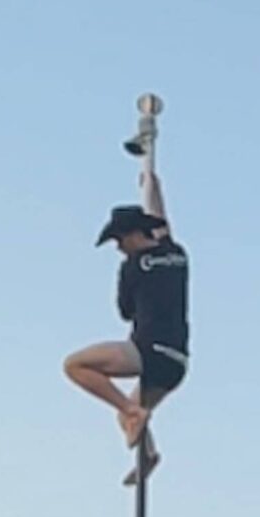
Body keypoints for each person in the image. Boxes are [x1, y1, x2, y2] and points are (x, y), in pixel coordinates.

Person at [64, 153, 189, 484]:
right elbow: (159, 215)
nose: (119, 248)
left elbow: (125, 311)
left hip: (148, 350)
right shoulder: (175, 252)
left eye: (119, 240)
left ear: (132, 235)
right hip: (176, 362)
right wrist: (151, 180)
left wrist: (128, 280)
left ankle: (134, 412)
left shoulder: (133, 266)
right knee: (126, 419)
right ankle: (146, 454)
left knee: (76, 365)